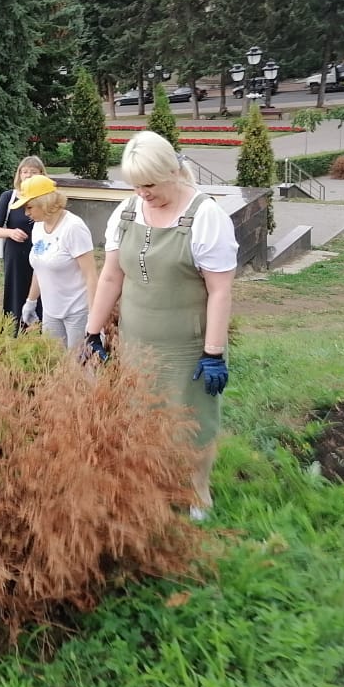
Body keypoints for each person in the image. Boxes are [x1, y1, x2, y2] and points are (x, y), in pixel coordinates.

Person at [84, 132, 238, 522]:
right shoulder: (127, 213)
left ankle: (198, 492)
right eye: (136, 186)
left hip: (187, 345)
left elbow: (220, 291)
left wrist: (213, 352)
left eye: (150, 185)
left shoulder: (206, 217)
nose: (143, 193)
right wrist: (92, 331)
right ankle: (152, 483)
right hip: (136, 340)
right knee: (142, 417)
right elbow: (110, 277)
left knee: (194, 420)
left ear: (173, 172)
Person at [12, 175, 97, 348]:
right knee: (55, 364)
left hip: (77, 312)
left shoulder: (73, 227)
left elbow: (91, 275)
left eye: (29, 207)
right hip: (51, 312)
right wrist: (31, 301)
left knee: (79, 367)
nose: (26, 213)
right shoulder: (37, 227)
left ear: (45, 202)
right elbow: (40, 267)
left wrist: (94, 317)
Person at [0, 156, 45, 334]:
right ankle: (13, 329)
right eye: (24, 171)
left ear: (41, 175)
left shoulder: (45, 197)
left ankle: (41, 327)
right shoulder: (9, 196)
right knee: (16, 289)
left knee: (42, 288)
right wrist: (10, 233)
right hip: (16, 252)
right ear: (19, 174)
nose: (28, 175)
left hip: (41, 250)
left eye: (33, 172)